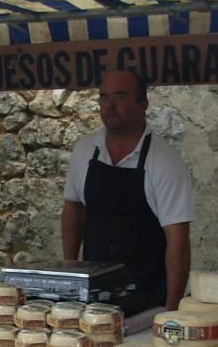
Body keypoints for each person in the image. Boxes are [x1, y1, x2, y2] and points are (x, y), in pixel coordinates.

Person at [61, 69, 193, 312]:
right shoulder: (85, 151)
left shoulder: (164, 161)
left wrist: (171, 311)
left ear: (143, 103)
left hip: (147, 299)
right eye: (104, 98)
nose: (110, 106)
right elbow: (73, 206)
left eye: (120, 97)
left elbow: (178, 240)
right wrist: (70, 271)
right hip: (95, 300)